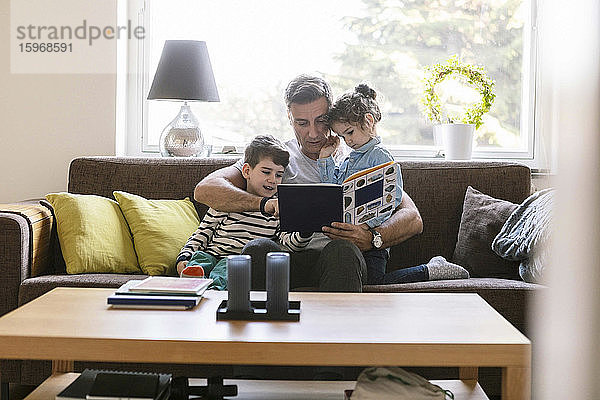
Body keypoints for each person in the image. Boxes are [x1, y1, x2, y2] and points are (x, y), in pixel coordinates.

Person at [194, 74, 424, 292]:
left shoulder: (358, 154)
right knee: (257, 249)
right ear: (289, 118)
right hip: (291, 256)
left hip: (342, 259)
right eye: (302, 123)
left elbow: (413, 218)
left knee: (341, 250)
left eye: (321, 121)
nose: (313, 133)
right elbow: (206, 190)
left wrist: (373, 237)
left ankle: (337, 333)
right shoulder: (277, 157)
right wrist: (265, 204)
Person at [319, 83, 469, 284]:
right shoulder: (348, 158)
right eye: (342, 136)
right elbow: (333, 191)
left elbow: (392, 198)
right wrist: (325, 159)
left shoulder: (380, 156)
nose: (347, 141)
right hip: (347, 239)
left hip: (371, 242)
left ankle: (431, 270)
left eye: (350, 132)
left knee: (375, 284)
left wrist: (366, 228)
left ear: (369, 121)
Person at [175, 135, 312, 290]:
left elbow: (289, 244)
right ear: (247, 171)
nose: (273, 180)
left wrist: (305, 231)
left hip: (237, 260)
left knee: (225, 272)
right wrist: (184, 256)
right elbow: (202, 233)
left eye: (279, 175)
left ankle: (213, 292)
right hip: (210, 253)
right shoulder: (227, 201)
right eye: (266, 172)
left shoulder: (278, 209)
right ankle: (191, 281)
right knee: (200, 259)